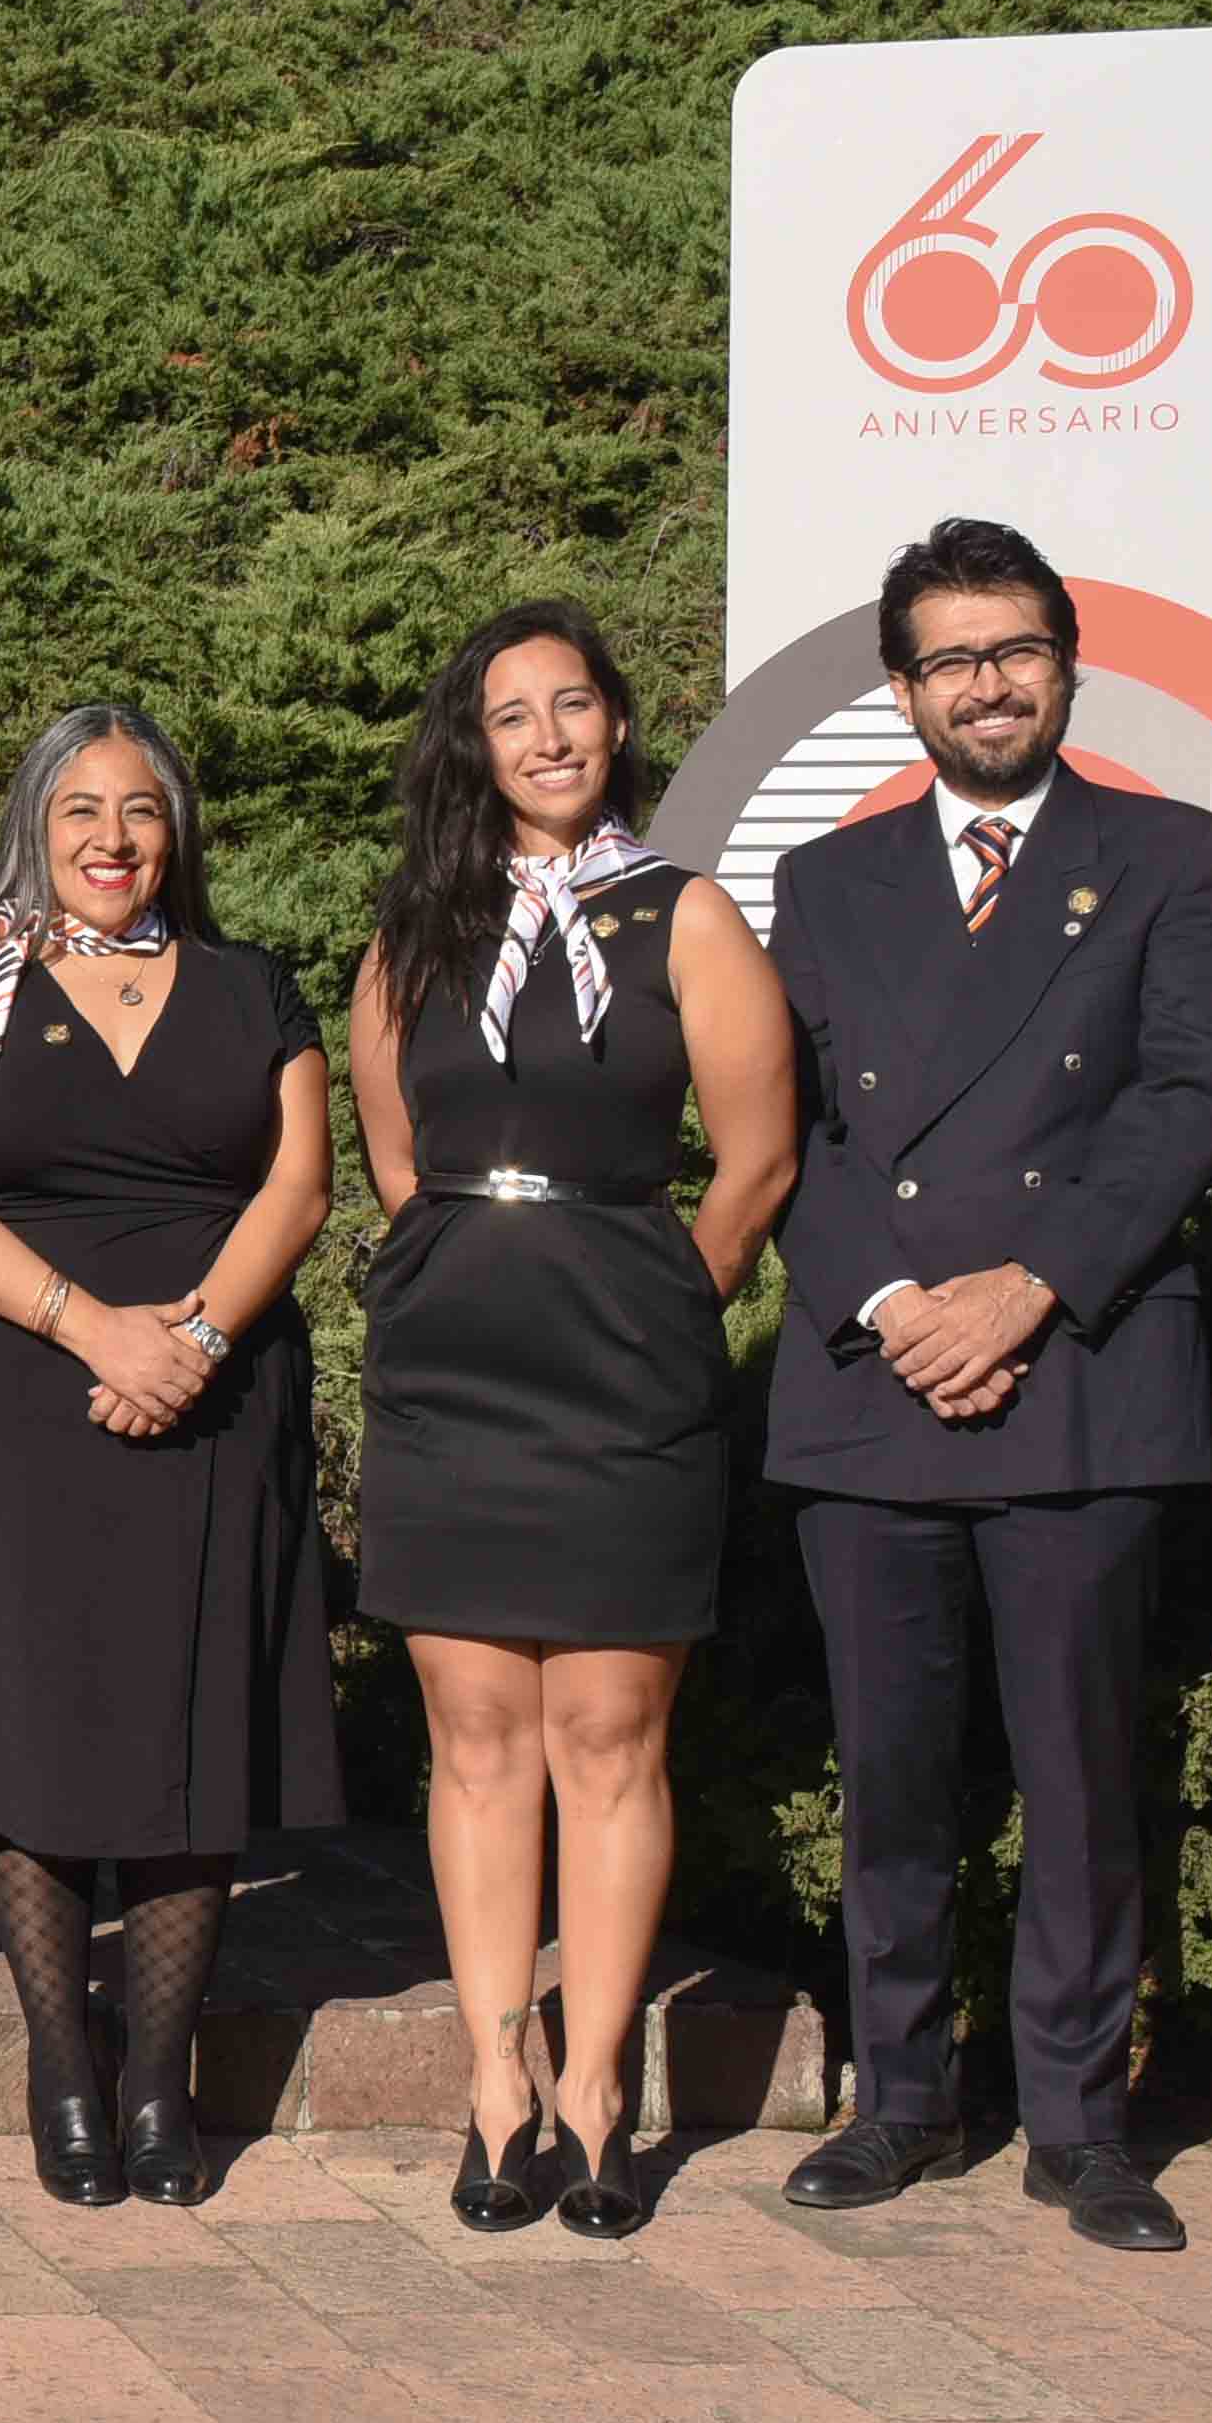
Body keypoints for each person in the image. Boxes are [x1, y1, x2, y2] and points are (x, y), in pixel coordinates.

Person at [767, 516, 1212, 2256]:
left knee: (1082, 1771)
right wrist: (902, 1299)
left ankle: (1079, 2121)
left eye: (1017, 648)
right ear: (904, 689)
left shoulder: (1174, 855)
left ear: (1068, 663)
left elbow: (1191, 1097)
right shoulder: (826, 884)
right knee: (892, 1775)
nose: (989, 681)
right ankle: (897, 2101)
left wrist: (1029, 1286)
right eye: (953, 657)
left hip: (1081, 1367)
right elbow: (783, 1139)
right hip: (879, 1378)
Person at [347, 606, 794, 2238]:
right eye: (512, 712)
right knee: (476, 1738)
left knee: (608, 1733)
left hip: (624, 1360)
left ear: (616, 725)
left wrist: (669, 1292)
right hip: (457, 1363)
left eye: (575, 704)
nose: (547, 734)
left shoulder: (686, 914)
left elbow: (754, 1157)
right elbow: (394, 1148)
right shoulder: (415, 926)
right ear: (472, 742)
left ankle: (599, 2087)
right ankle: (494, 2080)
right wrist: (464, 1261)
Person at [0, 704, 337, 2209]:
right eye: (81, 811)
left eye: (141, 810)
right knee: (34, 1718)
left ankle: (158, 2077)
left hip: (213, 1385)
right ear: (35, 825)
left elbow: (301, 1185)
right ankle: (62, 2061)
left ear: (177, 828)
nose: (113, 840)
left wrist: (188, 1340)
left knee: (188, 1735)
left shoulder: (253, 984)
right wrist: (93, 1330)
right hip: (12, 1394)